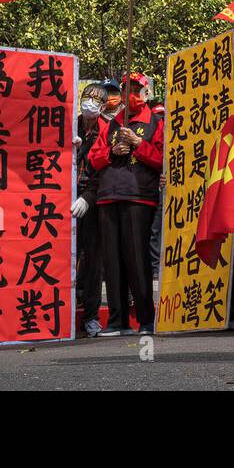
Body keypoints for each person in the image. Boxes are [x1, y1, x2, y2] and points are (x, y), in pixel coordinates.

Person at [88, 72, 163, 335]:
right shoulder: (111, 124)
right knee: (112, 261)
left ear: (146, 92)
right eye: (126, 87)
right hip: (108, 196)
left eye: (136, 87)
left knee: (137, 258)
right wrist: (112, 152)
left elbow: (163, 159)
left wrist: (138, 144)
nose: (131, 92)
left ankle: (145, 320)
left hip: (138, 196)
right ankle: (118, 320)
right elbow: (93, 158)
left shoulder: (156, 122)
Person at [72, 83, 109, 338]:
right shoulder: (68, 125)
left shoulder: (108, 130)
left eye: (96, 100)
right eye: (87, 98)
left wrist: (87, 197)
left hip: (93, 198)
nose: (90, 103)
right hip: (62, 194)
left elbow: (106, 170)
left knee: (93, 258)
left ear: (104, 106)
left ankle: (91, 316)